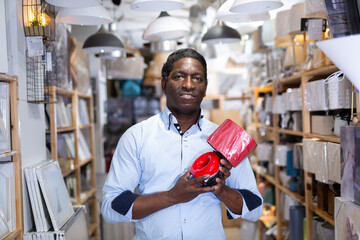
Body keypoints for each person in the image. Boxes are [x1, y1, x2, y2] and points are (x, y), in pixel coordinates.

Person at [101, 48, 263, 239]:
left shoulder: (224, 138)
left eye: (197, 78)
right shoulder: (137, 137)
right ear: (163, 85)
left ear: (205, 87)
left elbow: (255, 208)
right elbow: (111, 206)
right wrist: (172, 196)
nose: (188, 85)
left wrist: (220, 189)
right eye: (179, 76)